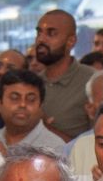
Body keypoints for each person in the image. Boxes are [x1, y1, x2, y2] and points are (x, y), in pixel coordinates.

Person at [33, 9, 94, 137]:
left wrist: (43, 127)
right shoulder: (32, 83)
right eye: (39, 33)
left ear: (71, 41)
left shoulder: (91, 81)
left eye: (51, 33)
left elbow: (93, 147)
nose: (41, 40)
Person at [0, 67, 65, 156]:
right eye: (14, 98)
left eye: (31, 99)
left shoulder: (54, 148)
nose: (23, 104)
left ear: (40, 106)